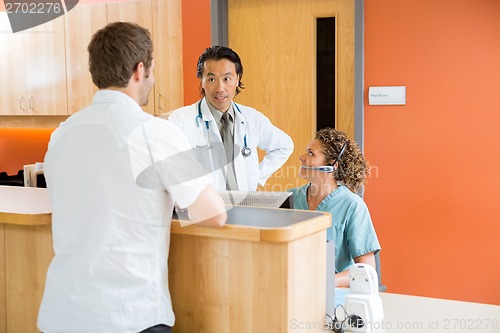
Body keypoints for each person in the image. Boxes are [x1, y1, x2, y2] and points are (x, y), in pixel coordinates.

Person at [37, 22, 227, 333]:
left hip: (61, 316)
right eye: (151, 69)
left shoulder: (62, 134)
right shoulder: (155, 133)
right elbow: (213, 213)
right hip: (128, 317)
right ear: (140, 70)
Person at [166, 46, 294, 191]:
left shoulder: (252, 118)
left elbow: (284, 145)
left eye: (227, 78)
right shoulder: (181, 120)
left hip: (245, 206)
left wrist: (257, 178)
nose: (220, 88)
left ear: (238, 79)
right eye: (212, 79)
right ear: (201, 80)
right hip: (205, 208)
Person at [289, 128, 380, 288]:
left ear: (331, 165)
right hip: (292, 288)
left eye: (311, 153)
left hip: (333, 296)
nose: (301, 158)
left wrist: (326, 283)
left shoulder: (352, 206)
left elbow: (367, 270)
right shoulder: (289, 198)